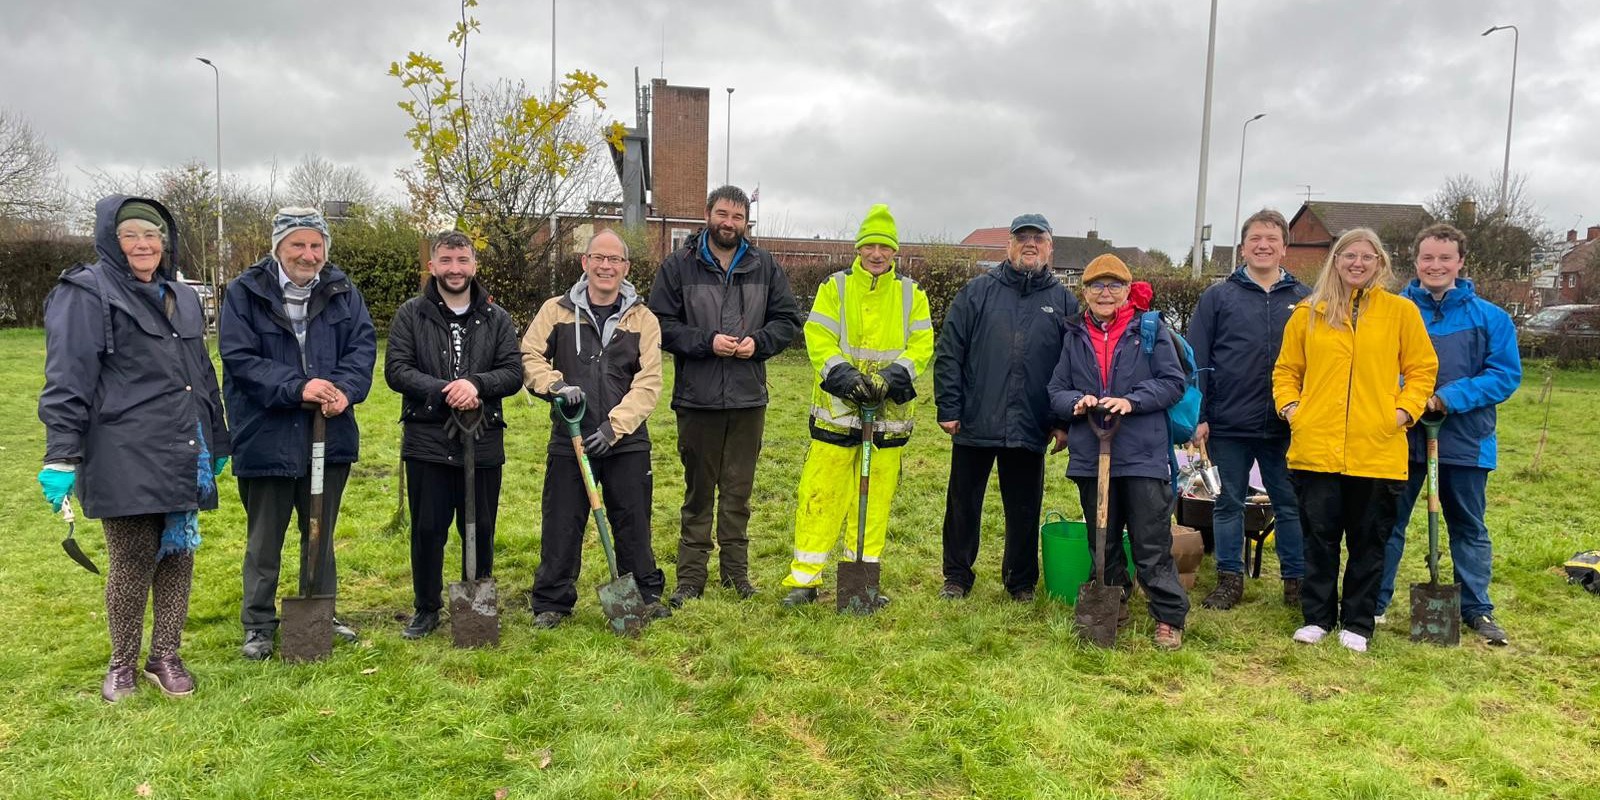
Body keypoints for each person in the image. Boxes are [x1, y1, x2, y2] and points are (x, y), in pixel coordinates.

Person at [38, 196, 231, 701]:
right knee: (132, 554)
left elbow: (202, 372)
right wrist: (60, 453)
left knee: (178, 552)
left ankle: (164, 654)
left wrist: (220, 435)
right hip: (121, 445)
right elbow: (66, 379)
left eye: (152, 236)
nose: (143, 245)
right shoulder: (84, 292)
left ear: (165, 243)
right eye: (130, 235)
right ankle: (121, 662)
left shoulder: (183, 296)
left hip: (185, 444)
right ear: (111, 239)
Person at [220, 207, 377, 660]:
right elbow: (241, 359)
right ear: (278, 248)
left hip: (329, 434)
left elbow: (362, 349)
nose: (308, 255)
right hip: (266, 434)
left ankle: (319, 611)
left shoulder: (344, 292)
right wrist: (298, 388)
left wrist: (344, 390)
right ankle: (258, 624)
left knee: (320, 533)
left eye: (316, 246)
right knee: (265, 537)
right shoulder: (245, 292)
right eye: (298, 245)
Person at [1272, 227, 1437, 652]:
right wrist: (1292, 409)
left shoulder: (1400, 313)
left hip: (1377, 449)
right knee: (1319, 539)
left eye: (1367, 257)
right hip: (1316, 448)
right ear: (1336, 261)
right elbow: (1286, 371)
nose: (1357, 264)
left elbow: (1422, 369)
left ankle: (1359, 623)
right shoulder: (1308, 312)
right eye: (1349, 256)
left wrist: (1402, 412)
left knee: (1369, 541)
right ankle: (1317, 618)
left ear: (1380, 263)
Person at [648, 185, 802, 606]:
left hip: (748, 398)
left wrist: (760, 342)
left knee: (738, 493)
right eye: (722, 214)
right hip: (697, 398)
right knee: (698, 493)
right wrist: (705, 342)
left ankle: (737, 576)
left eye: (737, 217)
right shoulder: (679, 265)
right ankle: (691, 580)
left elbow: (788, 320)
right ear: (707, 214)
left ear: (746, 222)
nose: (728, 223)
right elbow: (659, 324)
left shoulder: (764, 264)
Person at [780, 205, 934, 608]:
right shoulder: (835, 287)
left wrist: (890, 378)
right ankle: (804, 580)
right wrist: (846, 377)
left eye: (885, 246)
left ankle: (860, 581)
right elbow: (818, 336)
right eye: (870, 245)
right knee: (821, 493)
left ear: (895, 251)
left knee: (875, 499)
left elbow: (921, 345)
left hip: (887, 418)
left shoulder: (910, 293)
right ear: (859, 248)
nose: (877, 253)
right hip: (838, 411)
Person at [1374, 223, 1520, 645]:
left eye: (1444, 258)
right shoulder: (1394, 311)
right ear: (1415, 261)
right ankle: (1375, 602)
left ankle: (1476, 608)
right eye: (1427, 258)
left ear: (1460, 262)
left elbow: (1504, 376)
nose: (1435, 266)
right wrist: (1407, 399)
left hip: (1466, 439)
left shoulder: (1490, 318)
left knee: (1468, 526)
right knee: (1388, 522)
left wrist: (1447, 398)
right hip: (1400, 435)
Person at [522, 229, 669, 628]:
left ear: (626, 268)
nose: (606, 266)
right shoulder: (556, 310)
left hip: (626, 441)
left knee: (633, 522)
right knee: (562, 523)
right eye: (598, 258)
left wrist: (613, 428)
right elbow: (529, 355)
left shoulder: (643, 319)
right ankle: (552, 602)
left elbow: (649, 383)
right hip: (570, 436)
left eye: (614, 260)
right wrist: (555, 386)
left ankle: (645, 595)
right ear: (584, 263)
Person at [384, 231, 523, 639]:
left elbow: (513, 372)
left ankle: (476, 604)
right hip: (427, 439)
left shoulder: (496, 318)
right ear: (432, 266)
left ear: (474, 265)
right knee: (428, 530)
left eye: (462, 260)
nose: (455, 269)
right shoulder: (412, 314)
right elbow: (397, 369)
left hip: (482, 439)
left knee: (479, 526)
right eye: (446, 260)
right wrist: (446, 390)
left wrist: (476, 384)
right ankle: (426, 608)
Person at [1047, 254, 1190, 648]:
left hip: (1142, 453)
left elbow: (1172, 382)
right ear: (1085, 292)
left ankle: (1168, 615)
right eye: (1096, 285)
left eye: (1113, 285)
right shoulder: (1074, 333)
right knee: (1102, 539)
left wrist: (1131, 400)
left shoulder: (1149, 330)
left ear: (1128, 290)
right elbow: (1056, 389)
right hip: (1092, 454)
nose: (1105, 293)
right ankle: (1114, 602)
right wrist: (1076, 401)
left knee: (1150, 541)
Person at [934, 213, 1074, 602]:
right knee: (963, 504)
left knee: (1025, 507)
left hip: (1032, 421)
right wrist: (949, 405)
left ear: (1050, 247)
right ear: (1008, 245)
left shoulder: (1063, 301)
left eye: (1038, 238)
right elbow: (949, 351)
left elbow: (1073, 363)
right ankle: (957, 577)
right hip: (976, 418)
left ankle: (1021, 581)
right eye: (1022, 237)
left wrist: (1063, 422)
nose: (1030, 244)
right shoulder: (977, 292)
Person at [1188, 209, 1311, 610]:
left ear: (1284, 248)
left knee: (1289, 504)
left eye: (1272, 239)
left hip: (1286, 424)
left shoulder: (1305, 299)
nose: (1263, 245)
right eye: (1256, 238)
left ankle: (1296, 582)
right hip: (1229, 422)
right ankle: (1229, 579)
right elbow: (1197, 358)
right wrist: (1199, 415)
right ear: (1243, 247)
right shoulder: (1218, 296)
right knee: (1228, 503)